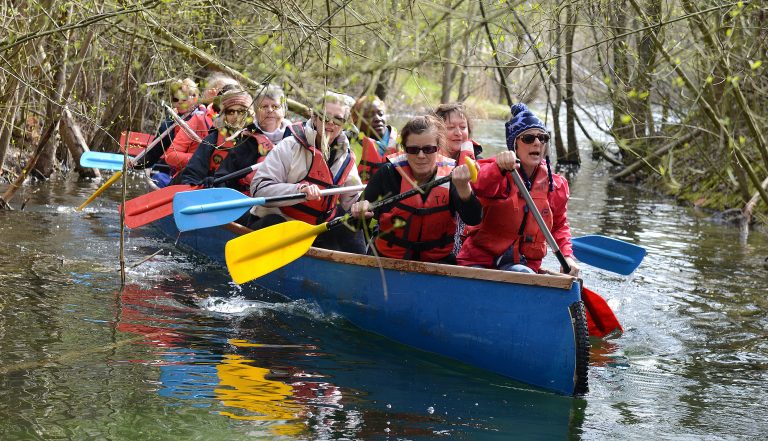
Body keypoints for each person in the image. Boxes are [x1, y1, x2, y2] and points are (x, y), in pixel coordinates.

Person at [456, 103, 579, 276]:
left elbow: (559, 226)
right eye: (528, 139)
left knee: (522, 272)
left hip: (522, 265)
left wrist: (567, 256)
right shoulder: (498, 171)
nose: (537, 142)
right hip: (479, 260)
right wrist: (498, 168)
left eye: (542, 138)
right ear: (515, 146)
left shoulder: (555, 185)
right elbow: (478, 184)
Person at [350, 115, 482, 263]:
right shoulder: (387, 173)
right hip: (387, 261)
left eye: (428, 149)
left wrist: (464, 188)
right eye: (413, 149)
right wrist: (359, 212)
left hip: (437, 263)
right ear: (405, 149)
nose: (421, 156)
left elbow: (474, 218)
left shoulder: (452, 176)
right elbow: (355, 226)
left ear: (438, 148)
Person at [249, 92, 365, 253]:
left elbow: (352, 200)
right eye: (324, 116)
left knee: (350, 227)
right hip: (278, 221)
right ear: (314, 117)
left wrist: (363, 206)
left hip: (314, 231)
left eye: (338, 119)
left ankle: (358, 272)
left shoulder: (345, 157)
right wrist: (298, 190)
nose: (330, 123)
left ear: (344, 124)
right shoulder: (289, 145)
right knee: (274, 222)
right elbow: (259, 189)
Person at [212, 84, 291, 194]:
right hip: (252, 203)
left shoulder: (296, 138)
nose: (270, 110)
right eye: (264, 106)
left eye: (275, 106)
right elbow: (223, 178)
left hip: (289, 199)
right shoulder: (246, 140)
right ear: (256, 112)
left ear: (284, 110)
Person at [179, 87, 256, 194]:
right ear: (224, 115)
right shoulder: (212, 139)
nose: (236, 116)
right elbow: (192, 175)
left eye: (242, 111)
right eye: (231, 111)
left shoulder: (256, 141)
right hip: (208, 195)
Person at [164, 75, 239, 178]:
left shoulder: (248, 132)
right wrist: (202, 159)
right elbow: (171, 156)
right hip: (193, 178)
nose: (234, 112)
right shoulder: (200, 118)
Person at [349, 95, 399, 183]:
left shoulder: (403, 142)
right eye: (368, 115)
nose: (377, 119)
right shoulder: (349, 147)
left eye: (381, 114)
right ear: (356, 122)